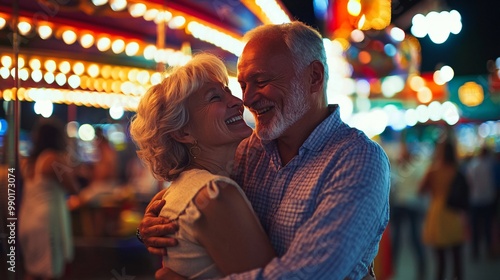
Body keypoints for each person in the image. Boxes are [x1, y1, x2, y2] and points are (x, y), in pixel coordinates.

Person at [140, 21, 391, 280]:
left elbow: (312, 273)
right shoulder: (248, 150)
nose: (245, 100)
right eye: (243, 86)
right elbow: (198, 193)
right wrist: (156, 222)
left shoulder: (356, 159)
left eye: (261, 81)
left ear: (314, 77)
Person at [129, 53, 276, 278]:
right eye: (215, 97)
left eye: (228, 91)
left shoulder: (187, 188)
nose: (238, 101)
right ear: (183, 132)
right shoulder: (215, 194)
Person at [19, 117, 79, 280]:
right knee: (50, 271)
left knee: (32, 270)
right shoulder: (52, 159)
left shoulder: (29, 162)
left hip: (27, 219)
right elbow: (73, 187)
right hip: (45, 224)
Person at [419, 138, 465, 280]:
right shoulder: (457, 171)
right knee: (457, 258)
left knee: (440, 261)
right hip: (454, 214)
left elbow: (421, 190)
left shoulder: (433, 171)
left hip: (437, 213)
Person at [389, 140, 429, 279]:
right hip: (409, 205)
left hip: (407, 205)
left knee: (406, 238)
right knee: (405, 239)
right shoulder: (411, 167)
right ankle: (394, 268)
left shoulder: (406, 168)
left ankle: (394, 268)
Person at [466, 146, 497, 259]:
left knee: (475, 227)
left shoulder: (472, 165)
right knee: (488, 226)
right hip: (488, 199)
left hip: (475, 199)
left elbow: (468, 182)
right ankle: (489, 250)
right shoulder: (491, 165)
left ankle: (475, 251)